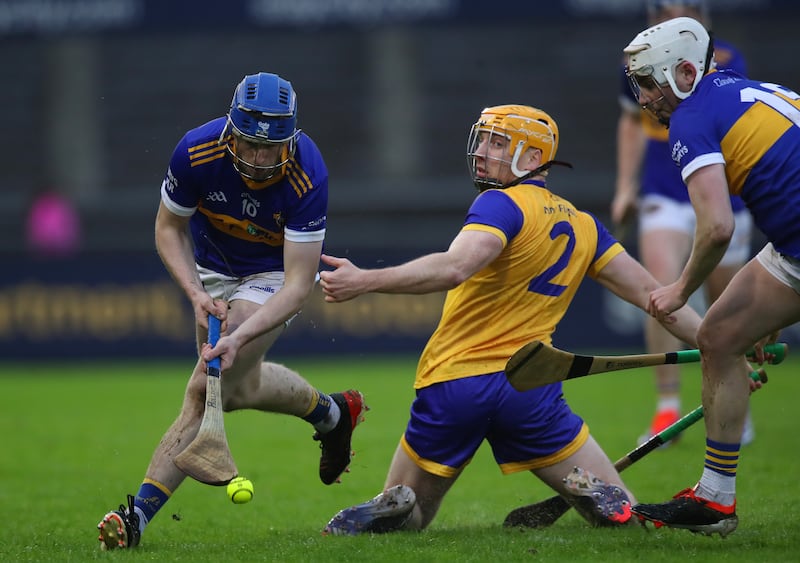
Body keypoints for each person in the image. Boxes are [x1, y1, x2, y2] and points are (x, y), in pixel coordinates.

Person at [315, 104, 704, 535]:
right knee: (627, 517)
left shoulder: (499, 205)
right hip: (530, 389)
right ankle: (598, 495)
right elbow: (659, 299)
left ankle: (396, 507)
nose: (481, 151)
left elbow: (454, 268)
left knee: (415, 516)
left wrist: (365, 281)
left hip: (456, 384)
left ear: (534, 158)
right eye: (482, 140)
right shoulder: (586, 226)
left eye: (496, 143)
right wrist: (721, 347)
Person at [96, 72, 367, 550]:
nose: (261, 160)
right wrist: (195, 293)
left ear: (292, 139)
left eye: (273, 148)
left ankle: (136, 516)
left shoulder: (309, 174)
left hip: (272, 276)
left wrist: (239, 334)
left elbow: (300, 284)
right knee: (240, 387)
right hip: (209, 269)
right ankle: (331, 413)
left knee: (206, 384)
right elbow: (168, 229)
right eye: (249, 145)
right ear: (230, 132)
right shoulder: (196, 152)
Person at [620, 16, 800, 537]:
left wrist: (678, 290)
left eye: (651, 82)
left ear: (681, 72)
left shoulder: (690, 118)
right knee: (719, 337)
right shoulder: (742, 88)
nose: (645, 97)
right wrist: (766, 317)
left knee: (716, 333)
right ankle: (716, 500)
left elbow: (718, 227)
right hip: (791, 248)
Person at [610, 0, 754, 446]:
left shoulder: (724, 59)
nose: (671, 18)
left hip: (720, 192)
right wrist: (625, 186)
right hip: (665, 190)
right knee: (660, 284)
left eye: (684, 10)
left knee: (725, 304)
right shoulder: (636, 61)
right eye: (663, 11)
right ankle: (667, 407)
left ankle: (732, 400)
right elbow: (632, 122)